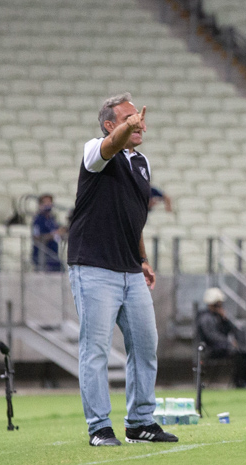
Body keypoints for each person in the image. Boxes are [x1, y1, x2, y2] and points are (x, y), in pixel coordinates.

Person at [67, 92, 177, 446]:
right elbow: (108, 149)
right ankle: (99, 427)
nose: (138, 122)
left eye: (139, 117)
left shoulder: (142, 162)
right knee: (95, 348)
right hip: (94, 265)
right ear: (110, 125)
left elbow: (134, 219)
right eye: (129, 118)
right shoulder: (94, 150)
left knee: (145, 345)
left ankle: (140, 422)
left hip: (130, 268)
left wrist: (142, 259)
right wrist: (121, 131)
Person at [195, 288, 246, 388]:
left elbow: (233, 330)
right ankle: (239, 382)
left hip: (222, 346)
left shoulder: (219, 316)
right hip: (211, 349)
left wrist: (226, 319)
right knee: (237, 353)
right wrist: (228, 343)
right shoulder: (205, 317)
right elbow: (211, 336)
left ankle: (243, 382)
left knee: (243, 352)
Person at [31, 194, 64, 272]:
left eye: (49, 202)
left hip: (53, 254)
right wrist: (53, 235)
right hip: (43, 256)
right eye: (45, 203)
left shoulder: (52, 219)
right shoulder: (38, 220)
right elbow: (36, 237)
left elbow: (57, 233)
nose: (48, 205)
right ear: (40, 205)